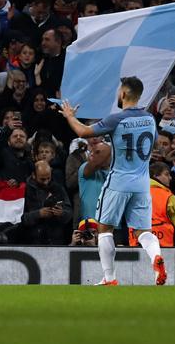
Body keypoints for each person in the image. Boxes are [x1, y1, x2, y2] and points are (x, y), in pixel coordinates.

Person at [61, 77, 167, 286]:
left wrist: (69, 116)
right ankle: (155, 257)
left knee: (104, 228)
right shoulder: (149, 119)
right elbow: (154, 144)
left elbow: (83, 132)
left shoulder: (116, 119)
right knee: (142, 231)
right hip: (142, 183)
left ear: (124, 94)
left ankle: (109, 278)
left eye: (119, 89)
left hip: (119, 180)